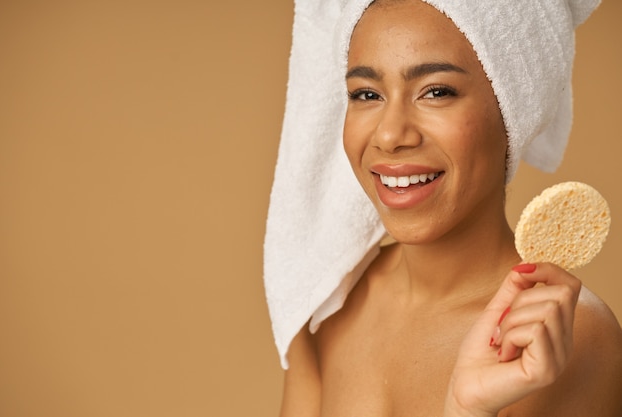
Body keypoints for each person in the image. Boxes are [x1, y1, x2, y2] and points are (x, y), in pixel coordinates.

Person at [264, 0, 622, 415]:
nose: (390, 134)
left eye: (437, 91)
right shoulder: (327, 307)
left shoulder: (563, 336)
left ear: (513, 111)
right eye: (366, 93)